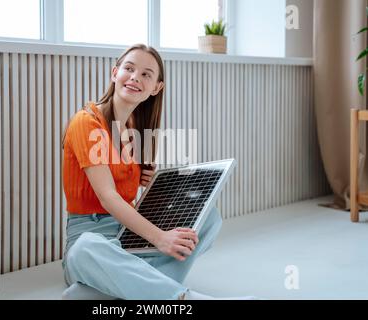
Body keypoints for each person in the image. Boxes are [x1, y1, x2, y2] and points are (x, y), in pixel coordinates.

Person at [61, 44, 255, 300]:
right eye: (129, 69)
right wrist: (161, 238)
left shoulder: (136, 131)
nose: (134, 77)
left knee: (208, 219)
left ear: (156, 88)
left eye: (146, 74)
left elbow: (130, 200)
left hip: (127, 235)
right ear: (114, 73)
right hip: (93, 233)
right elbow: (108, 198)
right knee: (86, 248)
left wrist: (153, 187)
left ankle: (110, 289)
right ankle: (180, 297)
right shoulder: (86, 122)